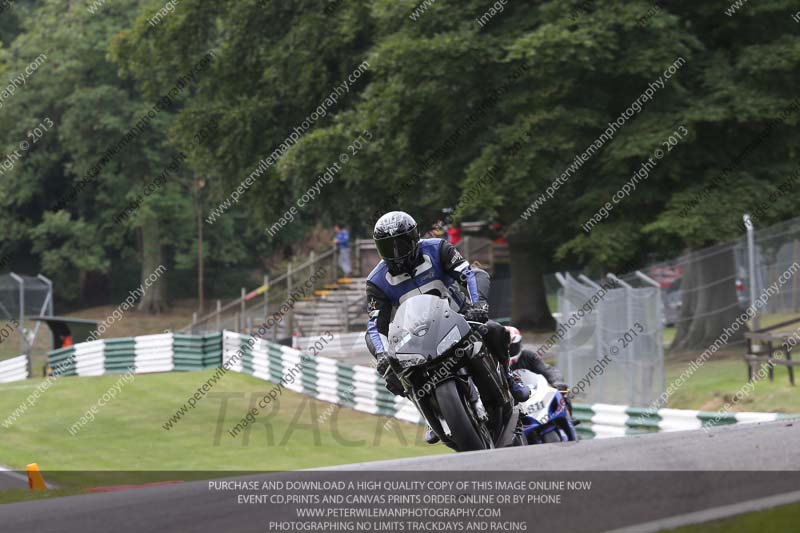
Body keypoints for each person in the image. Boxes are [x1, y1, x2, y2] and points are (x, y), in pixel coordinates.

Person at [364, 211, 530, 443]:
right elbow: (374, 325)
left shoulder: (438, 248)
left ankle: (510, 378)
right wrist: (382, 355)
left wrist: (478, 305)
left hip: (459, 318)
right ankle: (431, 415)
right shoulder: (377, 280)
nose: (396, 253)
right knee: (395, 375)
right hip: (417, 336)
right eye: (387, 247)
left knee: (494, 330)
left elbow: (469, 274)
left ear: (414, 238)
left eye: (400, 244)